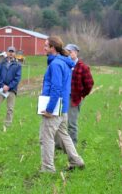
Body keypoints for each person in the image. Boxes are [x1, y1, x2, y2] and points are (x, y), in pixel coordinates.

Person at [39, 36, 84, 173]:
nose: (44, 47)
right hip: (63, 107)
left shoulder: (56, 64)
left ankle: (48, 168)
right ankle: (76, 161)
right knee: (64, 135)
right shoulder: (64, 62)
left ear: (53, 48)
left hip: (54, 108)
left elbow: (56, 88)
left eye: (46, 45)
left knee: (46, 137)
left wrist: (49, 109)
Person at [56, 44, 94, 147]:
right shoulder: (64, 65)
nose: (68, 54)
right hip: (62, 97)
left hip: (74, 98)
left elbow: (89, 84)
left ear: (76, 53)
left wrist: (82, 95)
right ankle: (59, 145)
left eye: (70, 52)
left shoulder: (83, 67)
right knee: (59, 121)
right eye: (67, 52)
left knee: (71, 123)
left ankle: (72, 146)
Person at [0, 46, 22, 126]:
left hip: (12, 89)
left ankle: (8, 124)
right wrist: (2, 85)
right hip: (2, 88)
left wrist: (9, 87)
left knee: (10, 108)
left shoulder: (17, 65)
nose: (11, 53)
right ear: (7, 52)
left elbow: (17, 78)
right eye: (9, 51)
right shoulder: (2, 62)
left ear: (14, 53)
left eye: (12, 52)